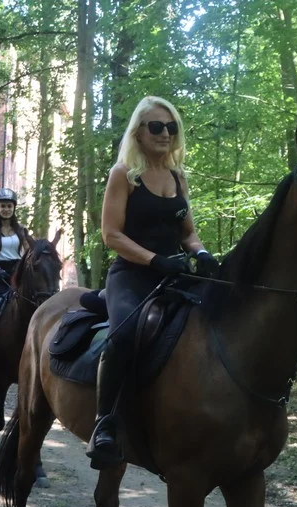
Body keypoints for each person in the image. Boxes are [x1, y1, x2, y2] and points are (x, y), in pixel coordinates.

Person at [86, 95, 219, 470]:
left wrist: (202, 254)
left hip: (176, 274)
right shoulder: (123, 174)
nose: (165, 133)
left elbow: (188, 234)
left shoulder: (179, 178)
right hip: (131, 276)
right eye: (156, 126)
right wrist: (155, 259)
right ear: (139, 132)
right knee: (124, 335)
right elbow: (110, 235)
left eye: (171, 127)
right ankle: (105, 424)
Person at [0, 187, 31, 305]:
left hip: (18, 273)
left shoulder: (21, 229)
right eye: (3, 206)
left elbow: (29, 252)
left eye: (9, 206)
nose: (6, 209)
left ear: (14, 208)